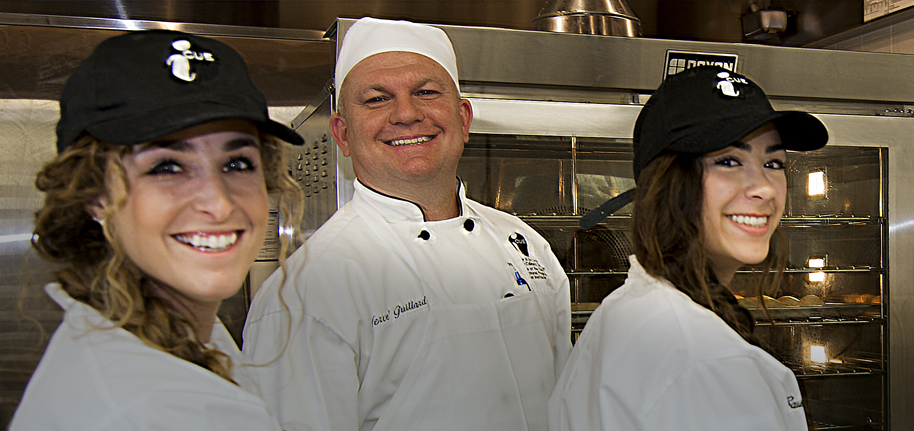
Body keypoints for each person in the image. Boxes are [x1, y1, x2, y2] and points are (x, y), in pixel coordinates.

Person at [241, 17, 571, 431]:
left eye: (426, 92)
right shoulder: (306, 294)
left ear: (464, 117)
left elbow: (566, 405)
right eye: (377, 99)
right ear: (342, 134)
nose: (406, 114)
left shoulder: (525, 243)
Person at [12, 30, 304, 429]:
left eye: (237, 164)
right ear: (94, 195)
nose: (219, 203)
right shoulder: (154, 409)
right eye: (166, 167)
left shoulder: (173, 337)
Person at [550, 65, 827, 430]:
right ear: (668, 184)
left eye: (772, 163)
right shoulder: (710, 362)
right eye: (729, 161)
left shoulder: (625, 311)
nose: (765, 188)